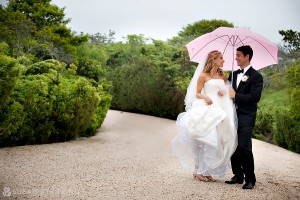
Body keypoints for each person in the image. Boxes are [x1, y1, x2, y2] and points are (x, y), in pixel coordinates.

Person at [171, 50, 238, 182]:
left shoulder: (222, 75)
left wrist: (224, 90)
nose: (223, 60)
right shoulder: (203, 76)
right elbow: (197, 93)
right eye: (221, 58)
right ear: (213, 60)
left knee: (215, 141)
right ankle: (198, 170)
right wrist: (205, 97)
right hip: (207, 108)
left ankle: (205, 171)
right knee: (204, 139)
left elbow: (227, 91)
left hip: (220, 109)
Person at [226, 45, 263, 189]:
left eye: (239, 55)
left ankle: (250, 179)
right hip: (232, 115)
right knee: (233, 145)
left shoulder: (256, 76)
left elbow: (255, 97)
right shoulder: (234, 74)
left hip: (247, 116)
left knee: (244, 146)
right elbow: (227, 92)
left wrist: (236, 96)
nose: (236, 58)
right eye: (236, 55)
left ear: (247, 56)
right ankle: (238, 175)